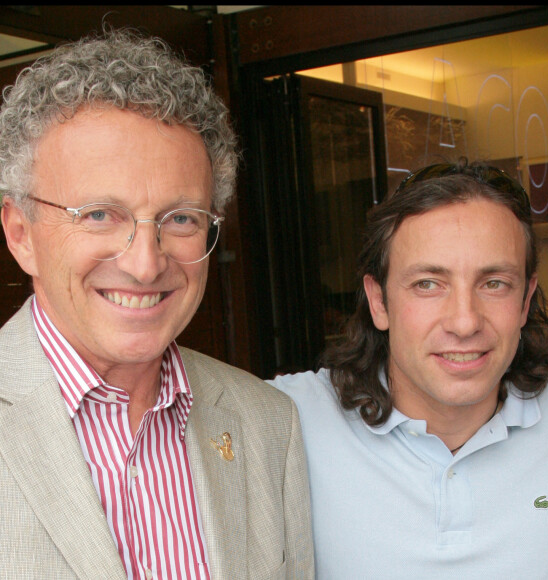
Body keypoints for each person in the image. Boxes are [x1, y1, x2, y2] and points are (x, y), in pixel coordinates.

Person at [0, 30, 313, 579]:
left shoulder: (266, 424)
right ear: (21, 232)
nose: (145, 263)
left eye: (181, 219)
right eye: (99, 214)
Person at [270, 159, 548, 579]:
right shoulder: (286, 419)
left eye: (494, 283)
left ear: (525, 301)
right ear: (379, 302)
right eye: (428, 284)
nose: (465, 321)